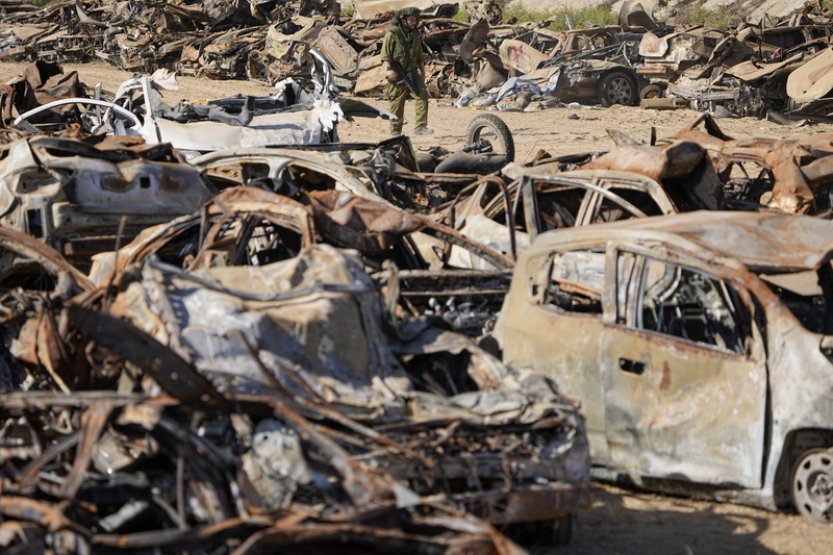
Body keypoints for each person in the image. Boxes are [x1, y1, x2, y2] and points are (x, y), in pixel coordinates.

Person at [380, 7, 432, 136]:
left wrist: (422, 73)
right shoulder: (392, 33)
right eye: (411, 19)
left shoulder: (415, 35)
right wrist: (389, 70)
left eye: (415, 19)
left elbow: (419, 57)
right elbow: (385, 56)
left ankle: (420, 127)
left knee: (422, 96)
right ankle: (395, 132)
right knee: (397, 103)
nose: (414, 22)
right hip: (396, 72)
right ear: (403, 21)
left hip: (411, 71)